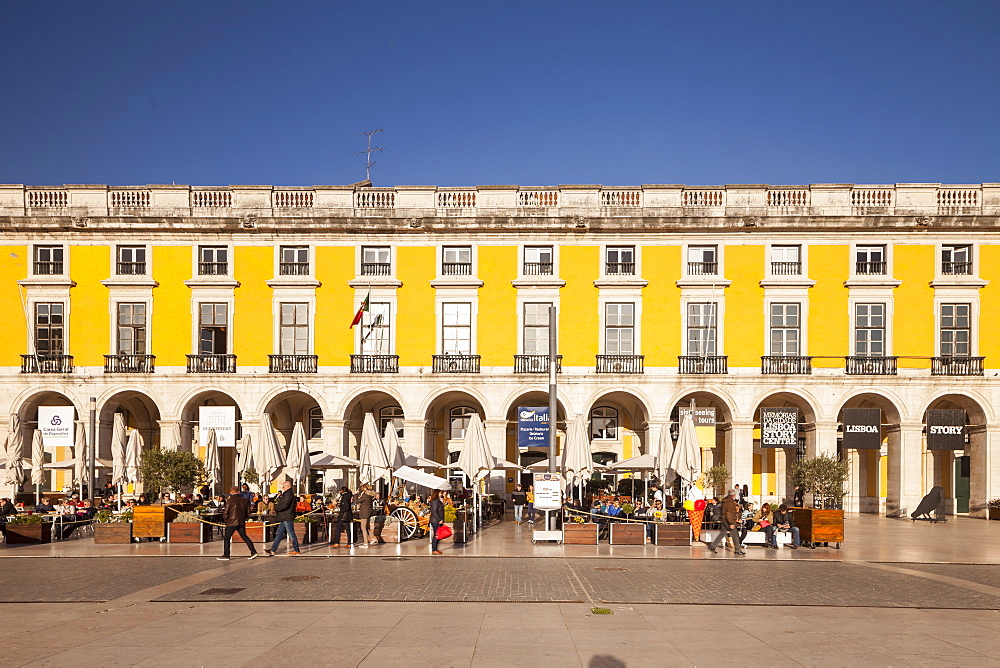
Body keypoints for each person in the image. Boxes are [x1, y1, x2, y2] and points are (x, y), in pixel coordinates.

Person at [219, 486, 258, 561]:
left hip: (231, 522)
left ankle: (226, 555)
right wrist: (243, 519)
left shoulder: (230, 500)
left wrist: (226, 521)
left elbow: (225, 513)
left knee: (227, 538)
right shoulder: (245, 500)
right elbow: (248, 513)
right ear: (239, 492)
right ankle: (253, 551)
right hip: (241, 522)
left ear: (231, 492)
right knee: (245, 537)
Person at [265, 480, 300, 557]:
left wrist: (276, 509)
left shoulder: (288, 494)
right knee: (279, 533)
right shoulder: (287, 494)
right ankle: (273, 550)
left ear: (288, 486)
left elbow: (284, 505)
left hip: (287, 516)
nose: (283, 488)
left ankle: (296, 549)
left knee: (291, 533)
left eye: (283, 487)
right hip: (284, 516)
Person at [708, 489, 745, 555]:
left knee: (722, 533)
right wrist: (731, 523)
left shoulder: (724, 501)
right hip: (728, 520)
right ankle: (737, 550)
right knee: (735, 534)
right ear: (733, 495)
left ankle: (713, 546)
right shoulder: (730, 502)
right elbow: (729, 513)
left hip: (723, 519)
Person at [356, 483, 375, 548]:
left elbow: (356, 501)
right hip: (368, 511)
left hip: (364, 512)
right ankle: (372, 538)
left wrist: (356, 494)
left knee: (363, 527)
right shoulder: (370, 495)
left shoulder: (365, 495)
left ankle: (366, 543)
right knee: (367, 526)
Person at [429, 489, 445, 555]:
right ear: (437, 493)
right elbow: (434, 511)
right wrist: (439, 520)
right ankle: (434, 549)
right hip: (436, 521)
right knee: (437, 535)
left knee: (438, 535)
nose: (441, 494)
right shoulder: (435, 501)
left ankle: (435, 548)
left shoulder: (437, 501)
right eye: (440, 493)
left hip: (436, 520)